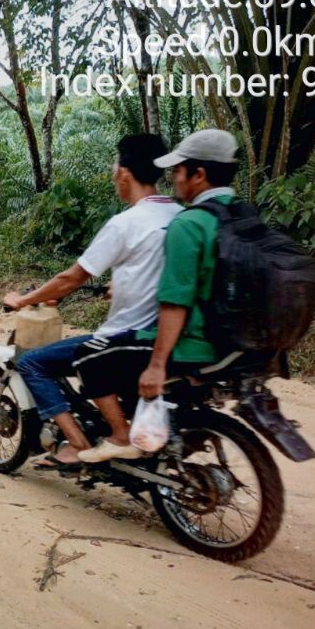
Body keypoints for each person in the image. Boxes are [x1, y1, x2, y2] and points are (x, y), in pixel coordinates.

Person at [3, 135, 180, 469]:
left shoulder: (126, 223)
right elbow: (161, 269)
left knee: (33, 364)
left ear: (124, 173)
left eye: (115, 168)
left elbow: (71, 278)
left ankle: (77, 444)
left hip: (127, 336)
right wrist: (123, 284)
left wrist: (23, 299)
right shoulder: (179, 215)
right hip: (166, 334)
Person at [73, 128, 240, 462]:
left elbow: (175, 300)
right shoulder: (241, 215)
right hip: (233, 340)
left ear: (199, 174)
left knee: (87, 358)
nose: (173, 179)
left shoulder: (189, 224)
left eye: (178, 171)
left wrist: (157, 366)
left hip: (194, 342)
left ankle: (121, 438)